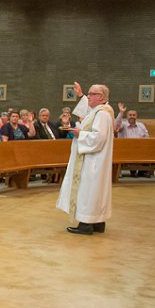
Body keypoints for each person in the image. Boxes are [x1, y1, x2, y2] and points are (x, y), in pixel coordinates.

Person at [60, 83, 116, 235]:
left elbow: (99, 138)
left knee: (88, 191)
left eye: (92, 94)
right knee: (95, 191)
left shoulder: (103, 114)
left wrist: (80, 134)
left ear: (101, 97)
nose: (89, 96)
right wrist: (80, 95)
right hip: (95, 160)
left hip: (92, 160)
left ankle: (86, 224)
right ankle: (98, 222)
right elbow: (88, 113)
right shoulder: (101, 111)